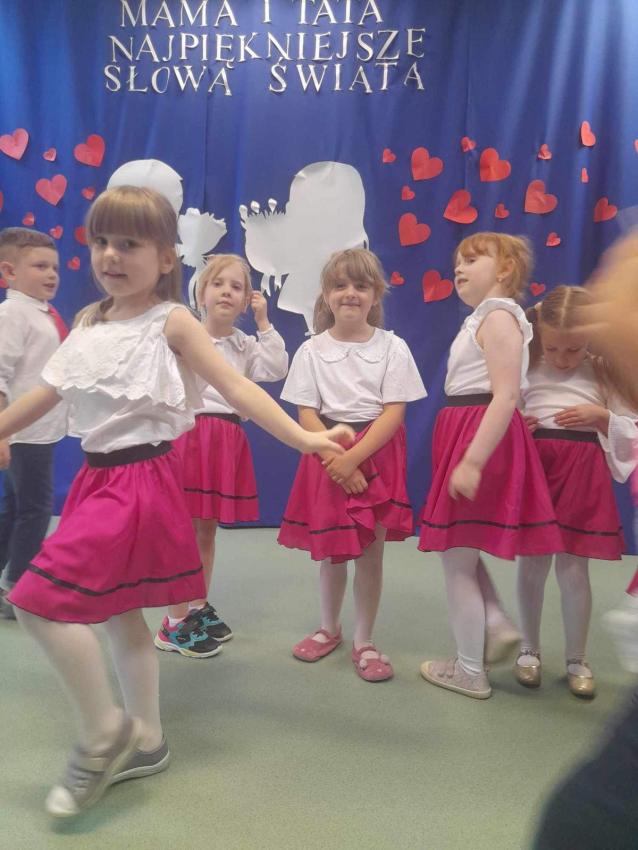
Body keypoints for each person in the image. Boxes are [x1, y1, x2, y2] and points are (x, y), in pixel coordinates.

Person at [0, 186, 351, 818]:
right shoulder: (90, 321)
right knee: (120, 613)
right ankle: (149, 740)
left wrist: (305, 438)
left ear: (166, 258)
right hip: (97, 481)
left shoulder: (172, 321)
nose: (110, 254)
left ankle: (104, 733)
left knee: (34, 600)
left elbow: (237, 388)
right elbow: (47, 393)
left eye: (128, 243)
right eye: (100, 242)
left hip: (141, 479)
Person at [418, 232, 563, 700]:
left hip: (476, 433)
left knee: (456, 557)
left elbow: (505, 395)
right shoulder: (486, 317)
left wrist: (473, 460)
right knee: (458, 549)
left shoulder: (499, 316)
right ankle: (495, 621)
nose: (458, 268)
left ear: (504, 269)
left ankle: (469, 669)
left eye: (471, 260)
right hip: (467, 428)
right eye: (457, 262)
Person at [278, 248, 426, 681]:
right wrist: (336, 460)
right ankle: (329, 628)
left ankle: (364, 640)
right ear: (326, 294)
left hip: (376, 454)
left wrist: (355, 459)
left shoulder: (393, 347)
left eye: (361, 286)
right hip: (327, 453)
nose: (350, 294)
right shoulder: (311, 350)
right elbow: (306, 414)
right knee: (332, 552)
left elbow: (394, 412)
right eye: (340, 285)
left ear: (375, 294)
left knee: (370, 553)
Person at [156, 253, 288, 655]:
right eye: (218, 283)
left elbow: (276, 367)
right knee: (182, 530)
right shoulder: (185, 336)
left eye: (236, 287)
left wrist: (264, 323)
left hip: (226, 438)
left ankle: (197, 606)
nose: (226, 292)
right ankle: (173, 621)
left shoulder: (244, 344)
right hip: (191, 435)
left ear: (247, 299)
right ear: (201, 293)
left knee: (207, 530)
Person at [515, 285, 637, 698]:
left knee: (573, 569)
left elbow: (630, 426)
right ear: (540, 335)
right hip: (538, 469)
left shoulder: (603, 369)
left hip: (582, 473)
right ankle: (529, 649)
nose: (563, 358)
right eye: (553, 348)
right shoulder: (527, 363)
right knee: (533, 564)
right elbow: (504, 407)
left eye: (574, 349)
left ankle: (576, 657)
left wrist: (602, 417)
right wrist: (518, 426)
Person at [0, 227, 67, 619]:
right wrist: (3, 433)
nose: (51, 274)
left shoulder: (40, 312)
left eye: (54, 267)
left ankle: (10, 583)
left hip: (38, 430)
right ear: (9, 272)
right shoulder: (12, 314)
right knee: (36, 510)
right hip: (24, 433)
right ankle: (18, 589)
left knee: (14, 508)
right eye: (40, 266)